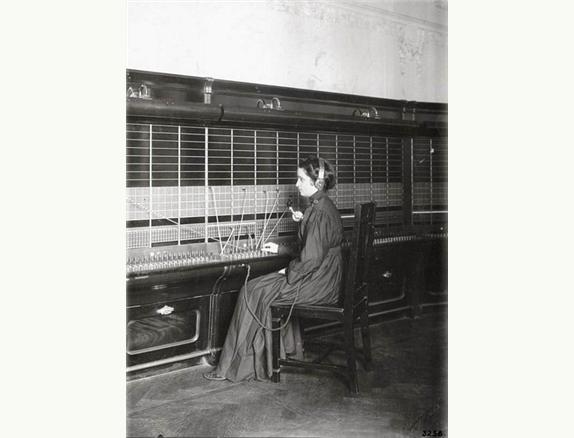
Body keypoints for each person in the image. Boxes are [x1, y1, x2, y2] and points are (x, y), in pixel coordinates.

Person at [204, 156, 344, 382]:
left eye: (301, 179)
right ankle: (282, 355)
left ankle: (237, 367)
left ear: (316, 183)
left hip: (317, 283)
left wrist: (288, 272)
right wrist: (284, 246)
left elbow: (310, 260)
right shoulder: (322, 207)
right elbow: (315, 248)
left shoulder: (318, 213)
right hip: (324, 277)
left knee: (251, 291)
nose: (296, 184)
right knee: (259, 288)